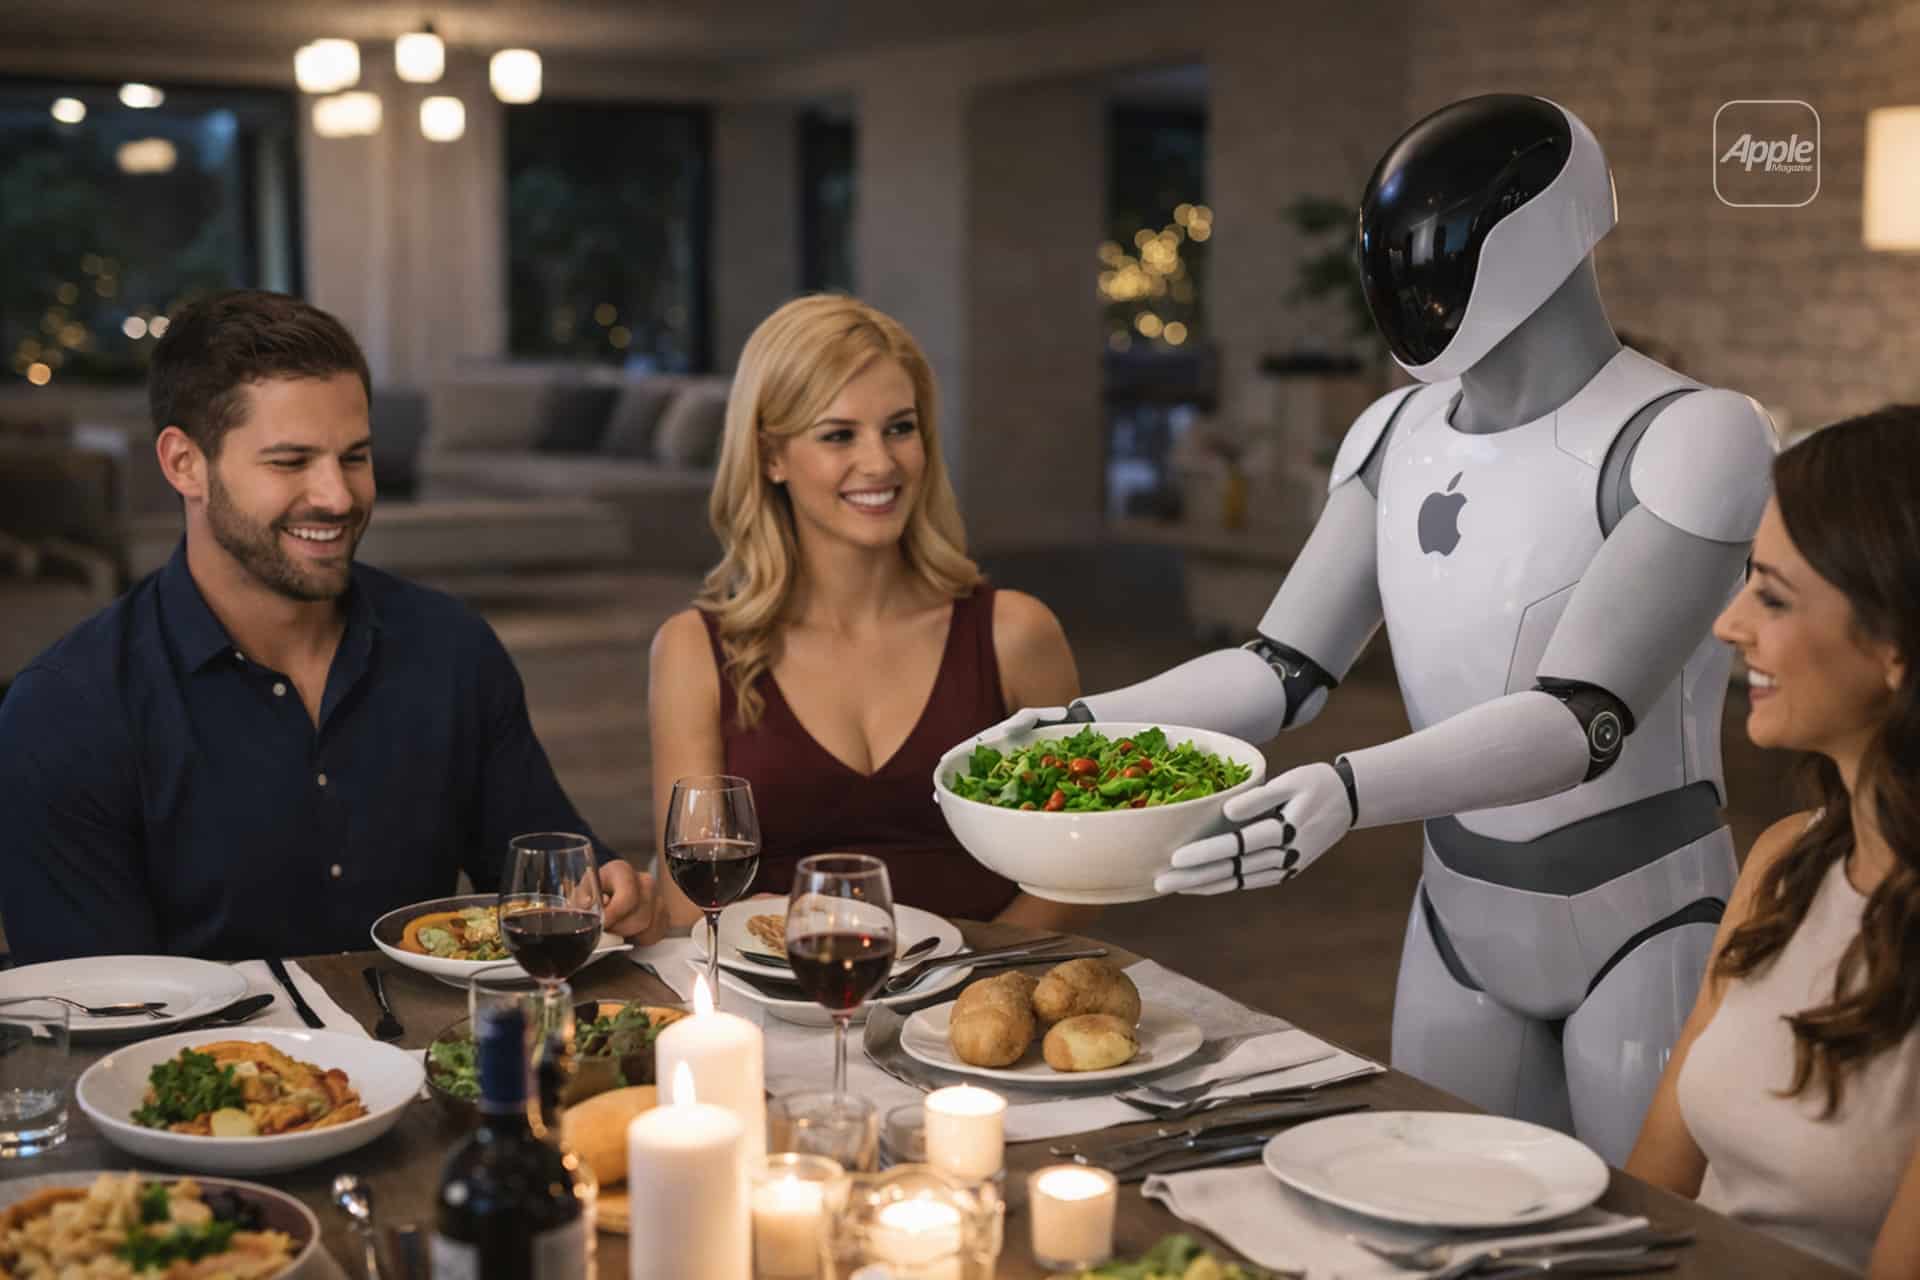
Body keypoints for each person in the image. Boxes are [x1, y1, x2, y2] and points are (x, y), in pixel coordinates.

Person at [977, 95, 1777, 1163]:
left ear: (1546, 230)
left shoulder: (1692, 435)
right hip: (1455, 913)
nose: (1415, 287)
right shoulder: (1393, 432)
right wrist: (1069, 723)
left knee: (1650, 1229)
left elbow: (1579, 719)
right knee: (1445, 1205)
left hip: (1645, 914)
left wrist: (1348, 792)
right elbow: (1282, 669)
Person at [0, 290, 663, 963]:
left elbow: (549, 878)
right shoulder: (65, 712)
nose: (338, 497)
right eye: (290, 462)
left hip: (436, 1061)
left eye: (354, 457)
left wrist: (606, 891)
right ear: (184, 464)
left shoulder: (452, 649)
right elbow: (92, 1025)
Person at [648, 294, 1086, 929]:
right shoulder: (693, 650)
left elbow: (1084, 861)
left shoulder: (1015, 634)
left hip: (985, 1002)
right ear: (771, 456)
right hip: (782, 1003)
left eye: (900, 428)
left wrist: (962, 984)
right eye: (838, 435)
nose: (880, 462)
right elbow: (691, 902)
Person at [1625, 409, 1919, 1276]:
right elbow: (1649, 1196)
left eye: (1774, 595)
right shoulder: (1786, 862)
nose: (1729, 625)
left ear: (1897, 643)